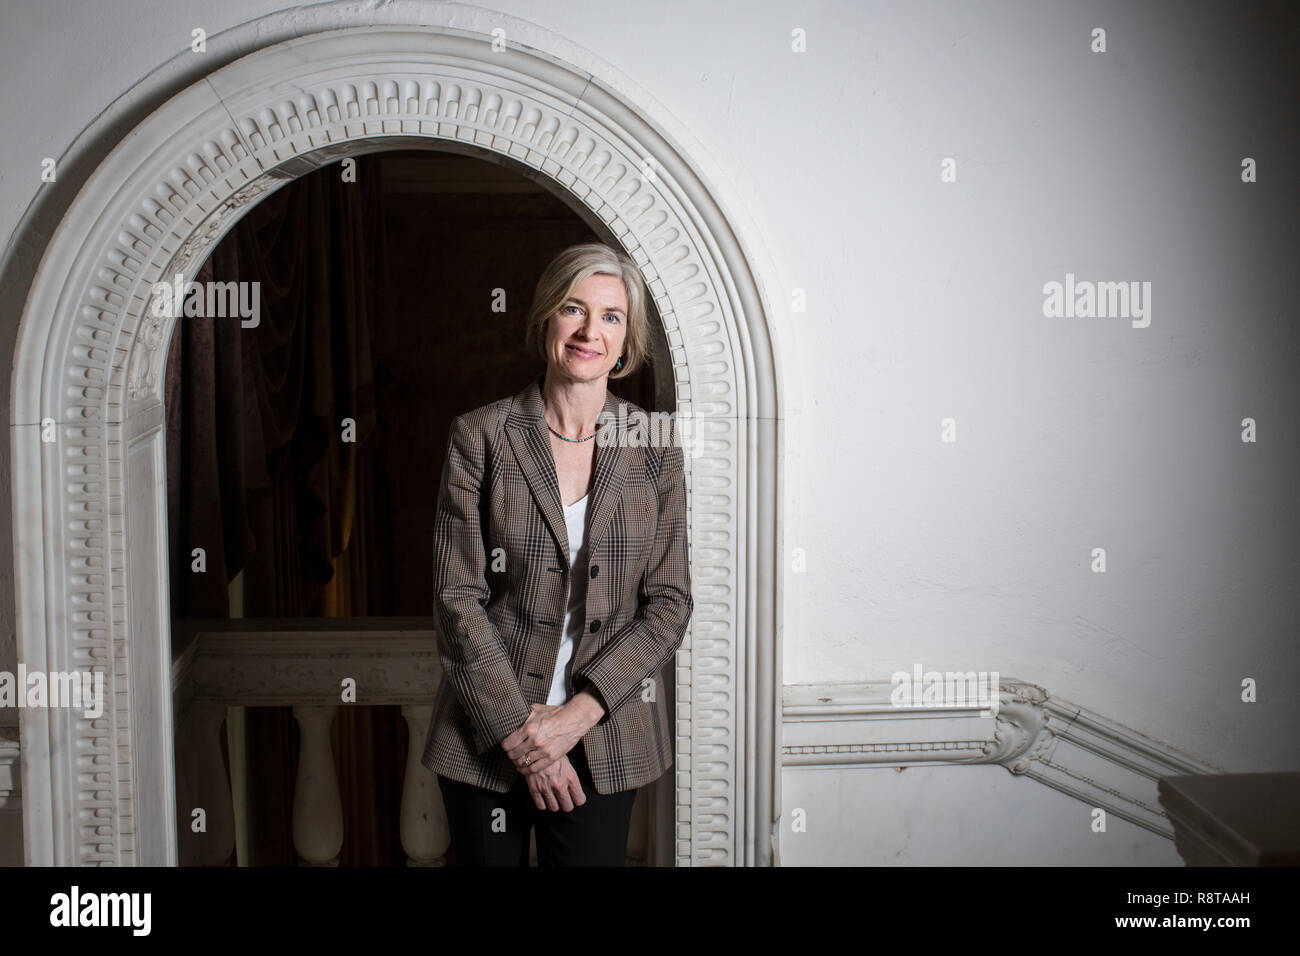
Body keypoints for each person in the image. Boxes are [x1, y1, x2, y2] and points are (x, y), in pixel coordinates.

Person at [421, 242, 694, 866]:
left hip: (604, 735)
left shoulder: (655, 445)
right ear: (547, 318)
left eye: (610, 317)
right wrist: (523, 736)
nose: (589, 331)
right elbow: (456, 597)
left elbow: (670, 604)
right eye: (573, 309)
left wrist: (575, 717)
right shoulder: (482, 436)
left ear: (626, 342)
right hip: (486, 735)